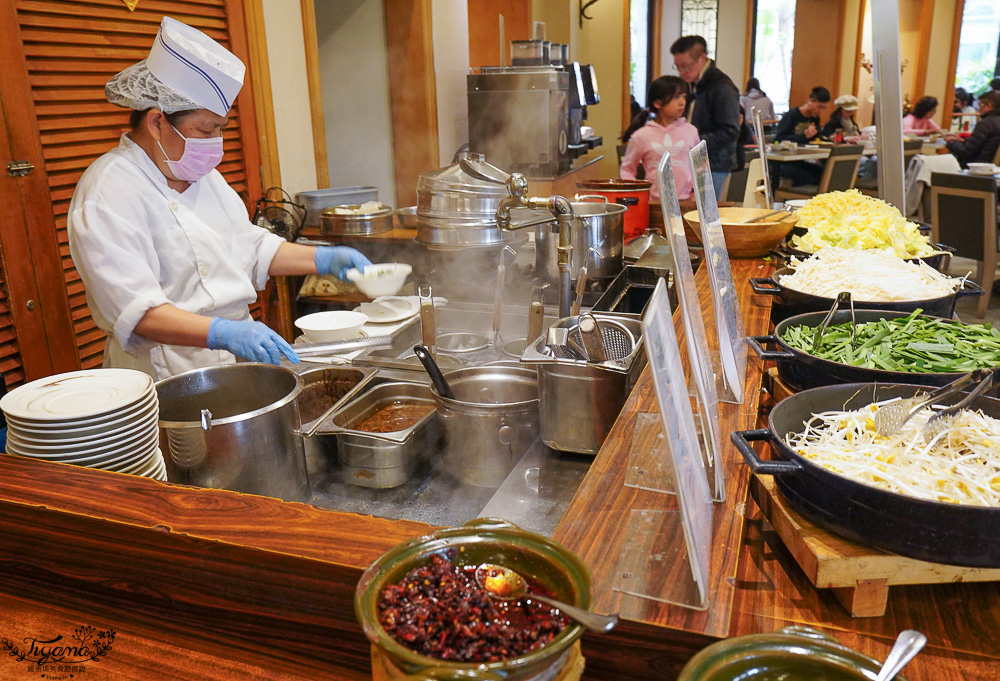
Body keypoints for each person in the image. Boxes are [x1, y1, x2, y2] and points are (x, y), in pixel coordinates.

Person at [67, 17, 372, 380]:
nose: (214, 144)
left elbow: (250, 247)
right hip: (165, 374)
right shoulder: (108, 192)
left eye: (220, 129)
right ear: (156, 122)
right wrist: (222, 333)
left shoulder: (199, 175)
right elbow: (138, 312)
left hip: (231, 364)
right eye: (204, 130)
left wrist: (322, 257)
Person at [669, 35, 741, 199]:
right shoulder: (693, 83)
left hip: (714, 164)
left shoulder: (722, 86)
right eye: (677, 67)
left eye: (685, 66)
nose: (681, 72)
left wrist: (693, 142)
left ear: (702, 58)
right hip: (693, 160)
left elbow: (730, 131)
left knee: (705, 216)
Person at [620, 76, 700, 202]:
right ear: (657, 103)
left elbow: (700, 166)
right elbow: (627, 169)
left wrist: (696, 193)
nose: (682, 102)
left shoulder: (691, 131)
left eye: (683, 96)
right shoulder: (642, 136)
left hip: (686, 202)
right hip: (654, 202)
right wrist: (638, 194)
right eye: (676, 97)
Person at [773, 86, 830, 186]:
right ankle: (794, 199)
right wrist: (804, 136)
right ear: (810, 101)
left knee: (823, 173)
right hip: (783, 162)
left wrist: (826, 138)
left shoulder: (814, 118)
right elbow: (779, 139)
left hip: (798, 160)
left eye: (824, 108)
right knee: (806, 177)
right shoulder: (792, 116)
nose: (820, 111)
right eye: (819, 107)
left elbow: (817, 136)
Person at [944, 90, 1000, 167]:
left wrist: (951, 142)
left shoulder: (986, 124)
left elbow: (965, 152)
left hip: (975, 167)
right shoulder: (995, 122)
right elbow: (982, 145)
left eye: (980, 106)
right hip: (991, 167)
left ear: (988, 106)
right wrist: (963, 141)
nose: (978, 109)